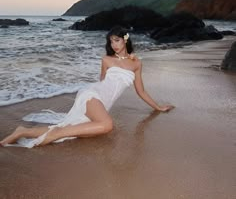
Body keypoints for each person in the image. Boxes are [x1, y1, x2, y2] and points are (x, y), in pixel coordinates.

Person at [0, 26, 174, 148]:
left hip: (103, 103)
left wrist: (158, 107)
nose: (114, 45)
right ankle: (57, 134)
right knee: (107, 125)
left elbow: (140, 91)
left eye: (117, 40)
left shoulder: (137, 64)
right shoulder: (107, 60)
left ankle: (22, 131)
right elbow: (102, 82)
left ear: (125, 40)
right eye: (111, 41)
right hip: (93, 95)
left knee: (72, 127)